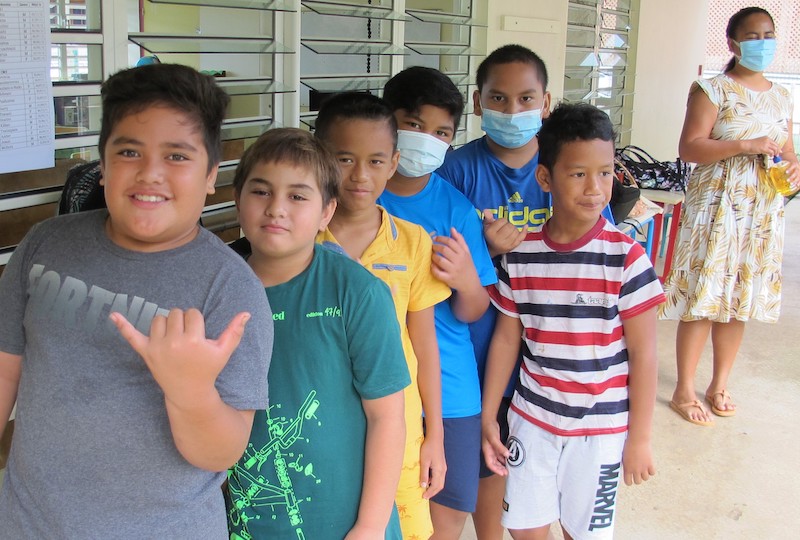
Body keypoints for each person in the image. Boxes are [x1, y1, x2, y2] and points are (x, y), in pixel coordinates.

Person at [0, 64, 273, 537]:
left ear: (211, 175)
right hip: (27, 523)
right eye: (129, 151)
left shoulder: (229, 289)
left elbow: (222, 453)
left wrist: (190, 392)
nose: (150, 173)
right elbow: (5, 369)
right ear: (102, 164)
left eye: (177, 156)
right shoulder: (44, 245)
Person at [436, 44, 614, 539]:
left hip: (556, 364)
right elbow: (437, 261)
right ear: (477, 103)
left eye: (525, 98)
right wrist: (484, 254)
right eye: (498, 98)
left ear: (546, 102)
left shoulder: (572, 166)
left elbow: (601, 258)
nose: (512, 111)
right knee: (493, 462)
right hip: (479, 351)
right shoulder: (455, 171)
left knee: (563, 484)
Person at [481, 102, 664, 540]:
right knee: (525, 528)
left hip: (599, 431)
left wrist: (639, 438)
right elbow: (508, 339)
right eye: (578, 174)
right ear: (545, 178)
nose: (594, 188)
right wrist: (491, 415)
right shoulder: (521, 255)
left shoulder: (626, 259)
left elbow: (644, 354)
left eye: (605, 172)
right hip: (533, 420)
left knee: (584, 533)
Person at [225, 128, 410, 539]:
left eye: (297, 196)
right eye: (260, 192)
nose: (276, 209)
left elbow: (387, 418)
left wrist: (370, 526)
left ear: (327, 211)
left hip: (347, 525)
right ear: (237, 199)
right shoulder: (216, 288)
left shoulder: (357, 292)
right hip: (247, 521)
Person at [314, 91, 452, 540]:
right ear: (319, 158)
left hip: (402, 428)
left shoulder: (412, 242)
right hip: (320, 425)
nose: (359, 176)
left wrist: (435, 436)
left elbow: (424, 347)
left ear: (394, 164)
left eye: (375, 161)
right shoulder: (296, 242)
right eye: (344, 159)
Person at [662, 6, 800, 426]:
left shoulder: (781, 96)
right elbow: (690, 148)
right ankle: (684, 387)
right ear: (734, 44)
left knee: (740, 300)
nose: (763, 43)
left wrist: (794, 165)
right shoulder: (711, 88)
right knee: (704, 297)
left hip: (761, 212)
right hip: (715, 210)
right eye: (754, 36)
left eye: (768, 34)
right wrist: (745, 144)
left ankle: (719, 382)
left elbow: (788, 149)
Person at [378, 67, 497, 539]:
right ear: (387, 121)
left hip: (450, 384)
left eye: (441, 132)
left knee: (445, 514)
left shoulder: (455, 210)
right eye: (413, 124)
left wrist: (469, 281)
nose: (426, 139)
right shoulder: (356, 200)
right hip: (379, 382)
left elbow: (474, 311)